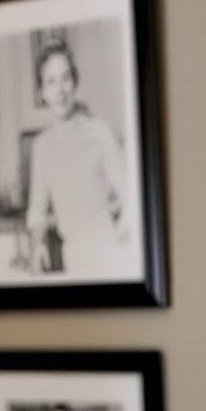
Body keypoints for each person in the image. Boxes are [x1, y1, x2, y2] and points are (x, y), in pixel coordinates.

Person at [26, 36, 128, 278]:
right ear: (42, 92)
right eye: (50, 82)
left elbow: (130, 194)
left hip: (110, 251)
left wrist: (123, 241)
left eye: (65, 78)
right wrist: (37, 245)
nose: (60, 90)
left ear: (75, 82)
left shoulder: (100, 132)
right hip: (74, 258)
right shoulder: (41, 147)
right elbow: (37, 209)